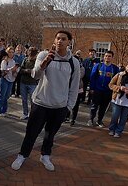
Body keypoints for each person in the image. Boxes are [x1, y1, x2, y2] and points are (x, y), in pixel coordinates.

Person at [11, 30, 80, 172]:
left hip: (60, 106)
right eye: (58, 38)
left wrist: (69, 107)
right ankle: (22, 155)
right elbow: (35, 75)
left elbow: (74, 86)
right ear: (54, 41)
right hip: (40, 103)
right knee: (32, 132)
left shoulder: (74, 62)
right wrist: (45, 63)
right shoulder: (43, 55)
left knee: (50, 134)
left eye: (63, 39)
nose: (60, 41)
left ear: (69, 42)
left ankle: (45, 155)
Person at [88, 50, 120, 127]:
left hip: (108, 91)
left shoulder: (115, 68)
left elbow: (117, 80)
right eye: (106, 56)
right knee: (94, 106)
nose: (107, 57)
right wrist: (92, 88)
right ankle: (91, 119)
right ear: (104, 57)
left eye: (109, 56)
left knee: (103, 107)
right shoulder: (98, 66)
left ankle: (99, 120)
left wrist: (114, 90)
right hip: (97, 90)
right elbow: (92, 77)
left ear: (112, 58)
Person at [0, 46, 19, 116]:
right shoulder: (4, 61)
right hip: (4, 79)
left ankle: (4, 110)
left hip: (11, 79)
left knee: (7, 95)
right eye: (10, 52)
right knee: (2, 95)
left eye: (12, 52)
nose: (11, 54)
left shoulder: (13, 61)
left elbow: (14, 72)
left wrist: (15, 71)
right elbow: (3, 71)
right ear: (7, 52)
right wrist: (11, 69)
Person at [18, 47, 39, 120]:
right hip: (23, 82)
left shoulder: (37, 62)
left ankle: (33, 114)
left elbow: (36, 72)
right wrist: (27, 71)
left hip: (32, 83)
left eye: (32, 54)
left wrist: (30, 71)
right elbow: (21, 70)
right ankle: (25, 113)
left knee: (33, 100)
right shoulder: (25, 59)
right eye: (29, 53)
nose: (30, 56)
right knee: (24, 99)